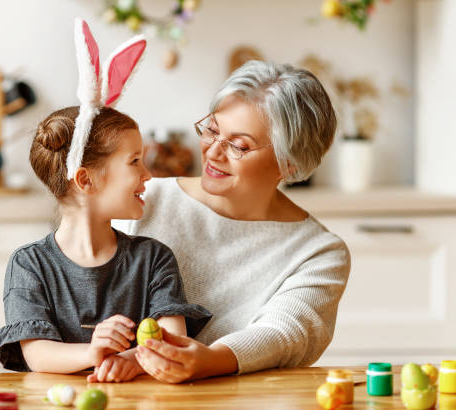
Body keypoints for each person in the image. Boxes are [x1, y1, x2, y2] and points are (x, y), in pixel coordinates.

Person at [0, 19, 211, 383]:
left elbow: (175, 337)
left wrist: (136, 360)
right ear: (85, 180)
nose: (148, 175)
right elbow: (37, 352)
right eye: (134, 162)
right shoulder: (29, 264)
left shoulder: (153, 259)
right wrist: (94, 351)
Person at [112, 60, 351, 383]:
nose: (213, 152)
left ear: (289, 164)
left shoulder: (318, 252)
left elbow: (287, 332)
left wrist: (213, 359)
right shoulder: (142, 200)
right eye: (211, 130)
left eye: (239, 146)